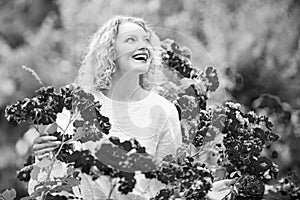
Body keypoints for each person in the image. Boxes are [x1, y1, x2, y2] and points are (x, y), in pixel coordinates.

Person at [31, 15, 232, 199]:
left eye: (146, 40)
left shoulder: (164, 111)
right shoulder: (77, 104)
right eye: (131, 39)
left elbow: (169, 187)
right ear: (109, 50)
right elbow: (48, 185)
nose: (144, 46)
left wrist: (203, 193)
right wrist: (43, 158)